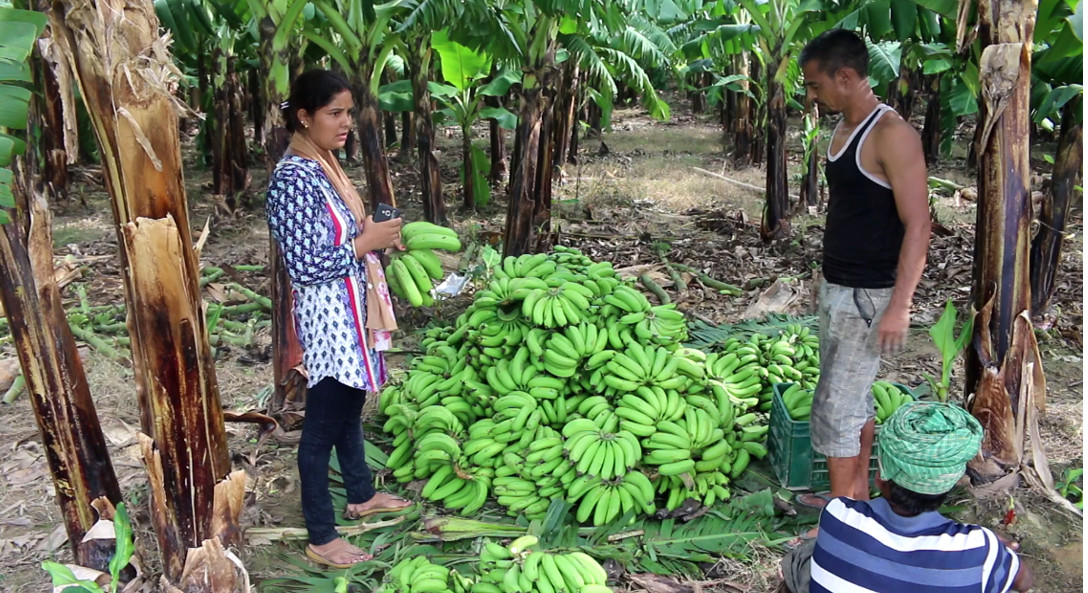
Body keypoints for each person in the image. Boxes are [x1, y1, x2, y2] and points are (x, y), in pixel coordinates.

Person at [266, 69, 413, 569]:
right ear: (304, 117)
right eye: (334, 113)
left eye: (348, 111)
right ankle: (322, 534)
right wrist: (362, 244)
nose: (346, 122)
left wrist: (375, 234)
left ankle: (360, 493)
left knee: (349, 405)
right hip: (328, 316)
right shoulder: (292, 179)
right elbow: (306, 265)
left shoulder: (324, 165)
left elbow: (342, 237)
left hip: (353, 307)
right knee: (323, 423)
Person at [793, 28, 932, 537]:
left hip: (869, 294)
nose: (812, 96)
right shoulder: (842, 130)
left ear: (846, 77)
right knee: (853, 400)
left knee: (834, 408)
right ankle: (854, 495)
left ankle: (843, 522)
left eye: (815, 85)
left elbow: (919, 223)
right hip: (838, 286)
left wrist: (900, 304)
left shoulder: (891, 134)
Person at [778, 401, 1033, 593]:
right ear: (953, 480)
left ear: (880, 475)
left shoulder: (837, 514)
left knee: (804, 555)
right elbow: (1024, 581)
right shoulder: (980, 548)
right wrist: (990, 546)